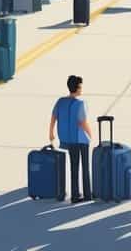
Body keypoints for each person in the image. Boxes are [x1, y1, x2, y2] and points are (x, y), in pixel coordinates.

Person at [49, 75, 94, 203]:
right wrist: (91, 134)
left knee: (74, 167)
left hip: (68, 140)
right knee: (85, 167)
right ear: (77, 88)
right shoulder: (80, 104)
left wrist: (51, 133)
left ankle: (75, 195)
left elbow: (53, 117)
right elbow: (82, 122)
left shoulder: (60, 101)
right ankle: (87, 194)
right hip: (81, 139)